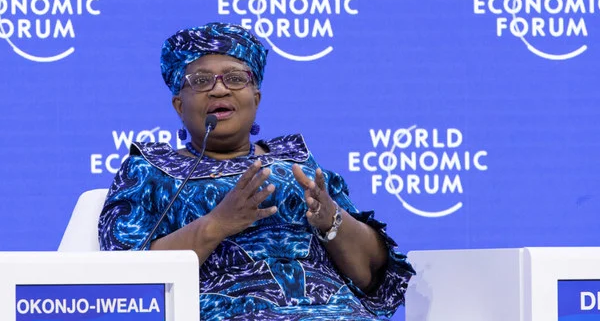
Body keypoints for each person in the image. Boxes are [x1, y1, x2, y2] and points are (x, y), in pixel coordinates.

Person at [98, 22, 414, 320]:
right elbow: (126, 278)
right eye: (202, 80)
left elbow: (370, 274)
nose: (219, 90)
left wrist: (331, 219)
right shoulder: (151, 170)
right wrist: (216, 224)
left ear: (256, 98)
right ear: (179, 105)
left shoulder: (298, 162)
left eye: (235, 78)